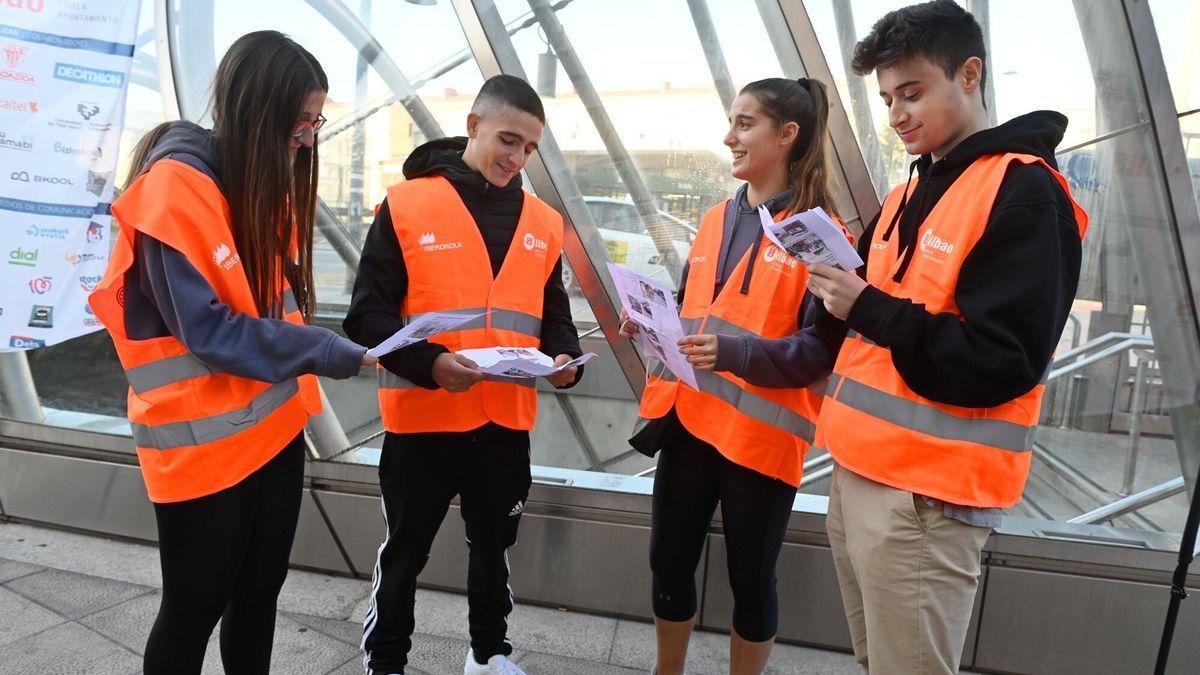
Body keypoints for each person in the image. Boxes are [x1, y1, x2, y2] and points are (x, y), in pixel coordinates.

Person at [803, 2, 1089, 672]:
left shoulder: (1023, 192)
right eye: (887, 98)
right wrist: (831, 289)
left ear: (969, 74)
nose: (897, 114)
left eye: (912, 92)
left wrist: (867, 306)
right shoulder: (910, 191)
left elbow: (1002, 359)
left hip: (926, 497)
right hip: (858, 472)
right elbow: (866, 316)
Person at [87, 31, 374, 674]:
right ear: (258, 108)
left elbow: (273, 306)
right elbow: (209, 332)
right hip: (200, 449)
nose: (308, 136)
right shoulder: (176, 187)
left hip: (272, 430)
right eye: (301, 119)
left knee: (257, 598)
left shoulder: (257, 187)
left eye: (316, 120)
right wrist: (328, 351)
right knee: (193, 610)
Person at [344, 74, 583, 675]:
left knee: (494, 550)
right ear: (473, 125)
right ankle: (386, 661)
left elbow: (553, 316)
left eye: (530, 148)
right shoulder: (407, 203)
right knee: (404, 553)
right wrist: (428, 365)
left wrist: (564, 360)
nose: (517, 157)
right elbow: (366, 318)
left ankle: (490, 654)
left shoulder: (545, 222)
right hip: (422, 418)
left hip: (504, 421)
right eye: (508, 139)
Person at [624, 77, 846, 675]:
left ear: (787, 135)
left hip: (760, 440)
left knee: (751, 580)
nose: (730, 137)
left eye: (744, 124)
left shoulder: (818, 235)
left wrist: (732, 354)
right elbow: (693, 304)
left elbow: (818, 353)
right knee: (668, 563)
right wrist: (649, 322)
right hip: (690, 421)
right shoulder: (716, 219)